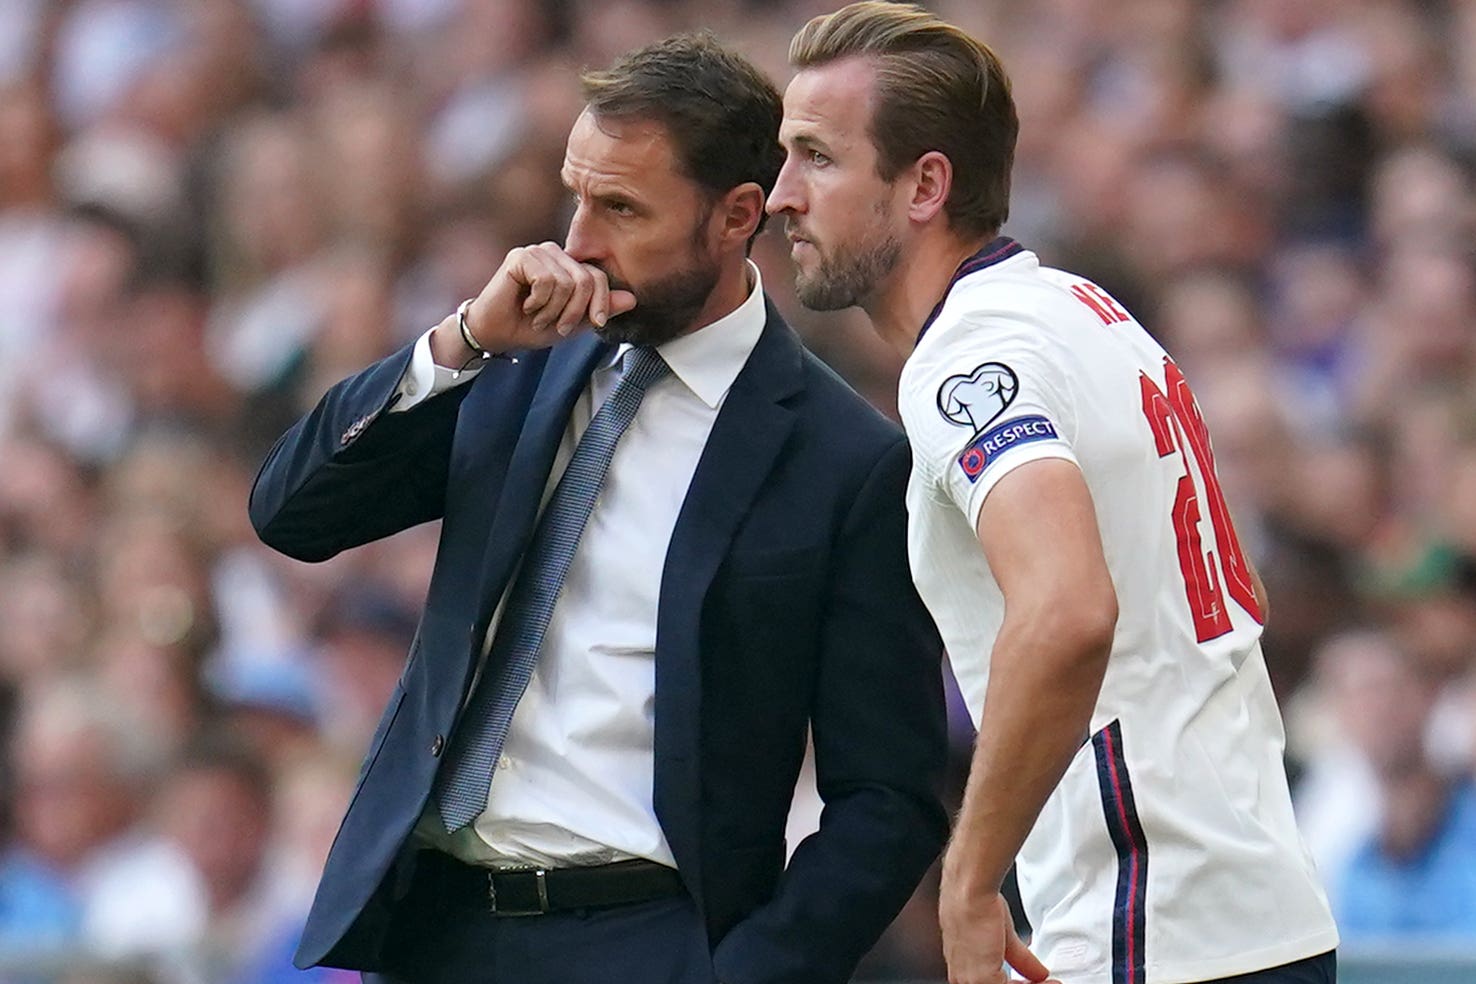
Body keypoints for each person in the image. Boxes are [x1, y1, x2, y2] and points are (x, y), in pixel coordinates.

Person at [249, 32, 948, 984]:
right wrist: (458, 343)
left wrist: (746, 974)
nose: (577, 239)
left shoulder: (846, 461)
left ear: (737, 215)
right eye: (576, 193)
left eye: (621, 207)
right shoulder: (516, 352)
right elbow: (294, 513)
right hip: (432, 928)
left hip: (640, 938)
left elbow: (890, 797)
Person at [767, 4, 1340, 984]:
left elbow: (1070, 609)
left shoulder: (971, 359)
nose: (781, 195)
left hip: (1153, 927)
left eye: (817, 157)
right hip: (1252, 906)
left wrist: (968, 880)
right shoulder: (1085, 310)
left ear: (925, 186)